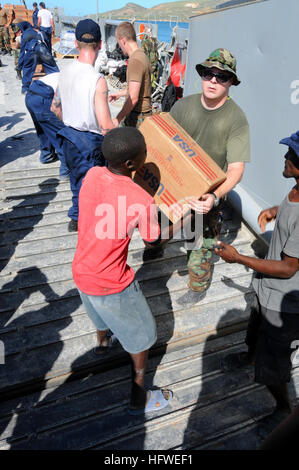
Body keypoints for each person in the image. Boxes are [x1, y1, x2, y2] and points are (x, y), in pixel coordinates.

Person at [73, 127, 193, 414]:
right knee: (143, 336)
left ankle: (103, 344)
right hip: (111, 282)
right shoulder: (141, 200)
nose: (146, 155)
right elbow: (153, 241)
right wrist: (185, 216)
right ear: (132, 164)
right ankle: (139, 395)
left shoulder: (91, 175)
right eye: (143, 153)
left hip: (81, 270)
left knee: (98, 312)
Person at [216, 130, 299, 419]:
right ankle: (249, 355)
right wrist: (279, 209)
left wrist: (238, 257)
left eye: (293, 156)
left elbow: (289, 267)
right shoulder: (295, 189)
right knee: (254, 329)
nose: (286, 158)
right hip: (266, 290)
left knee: (273, 362)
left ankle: (283, 408)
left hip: (284, 305)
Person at [170, 48, 250, 298]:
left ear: (231, 82)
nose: (213, 80)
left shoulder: (236, 119)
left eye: (222, 76)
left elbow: (236, 170)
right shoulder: (183, 106)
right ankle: (156, 245)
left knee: (201, 244)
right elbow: (165, 142)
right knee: (159, 223)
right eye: (208, 73)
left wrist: (215, 197)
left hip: (209, 193)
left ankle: (198, 286)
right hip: (176, 183)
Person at [53, 19, 115, 232]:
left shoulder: (65, 72)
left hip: (68, 137)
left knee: (76, 180)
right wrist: (117, 124)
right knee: (95, 189)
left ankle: (76, 216)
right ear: (99, 45)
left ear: (77, 43)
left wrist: (72, 120)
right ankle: (90, 225)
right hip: (90, 142)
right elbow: (106, 127)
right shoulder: (97, 80)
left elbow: (55, 108)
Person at [25, 72, 69, 178]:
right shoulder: (71, 81)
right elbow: (57, 106)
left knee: (43, 128)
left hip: (30, 96)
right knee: (61, 134)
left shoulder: (62, 74)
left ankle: (46, 155)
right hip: (44, 99)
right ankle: (67, 170)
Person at [108, 21, 152, 128]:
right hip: (144, 115)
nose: (119, 47)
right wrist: (119, 94)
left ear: (123, 41)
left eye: (119, 43)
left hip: (137, 117)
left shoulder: (135, 61)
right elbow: (138, 89)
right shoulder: (142, 55)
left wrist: (117, 119)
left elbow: (133, 98)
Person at [17, 21, 58, 94]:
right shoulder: (39, 32)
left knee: (27, 68)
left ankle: (25, 89)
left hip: (31, 51)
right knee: (52, 68)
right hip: (43, 50)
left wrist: (19, 67)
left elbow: (22, 52)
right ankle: (59, 86)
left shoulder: (25, 34)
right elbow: (47, 45)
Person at [141, 25, 159, 91]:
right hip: (150, 64)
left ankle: (152, 88)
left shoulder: (153, 40)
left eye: (151, 31)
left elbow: (155, 51)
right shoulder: (145, 41)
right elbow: (144, 53)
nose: (150, 32)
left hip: (154, 63)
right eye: (149, 31)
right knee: (149, 79)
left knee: (154, 77)